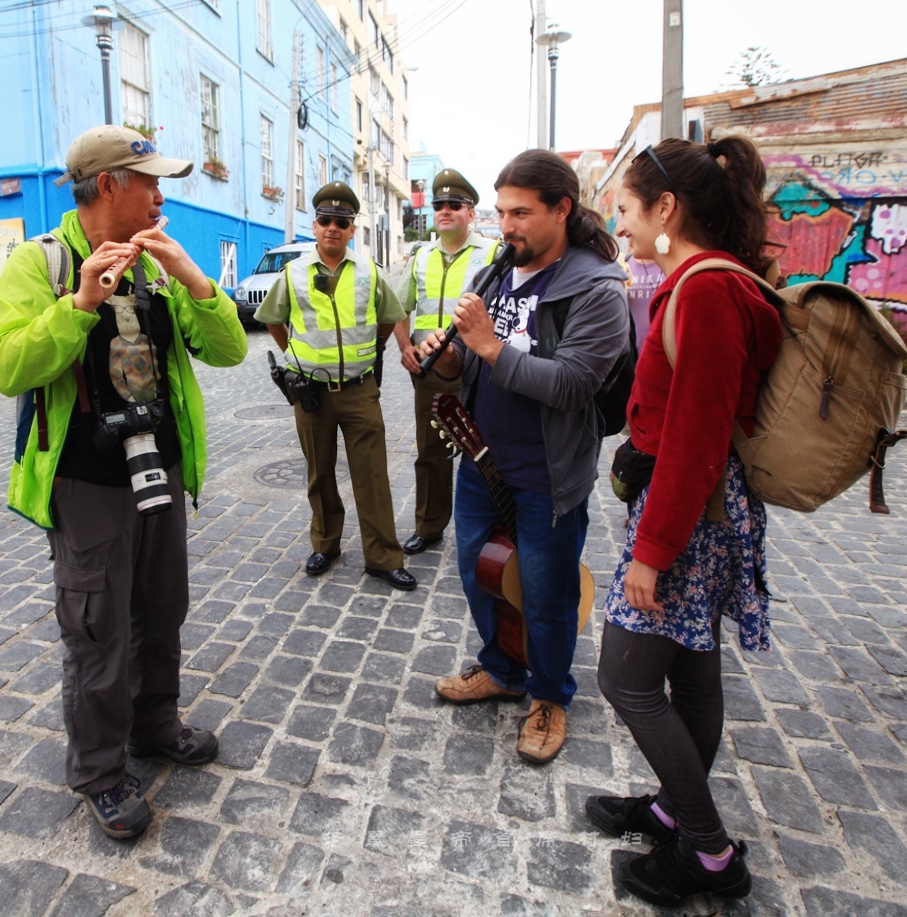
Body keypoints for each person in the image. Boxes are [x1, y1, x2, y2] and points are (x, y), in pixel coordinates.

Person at [0, 125, 248, 840]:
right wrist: (78, 306)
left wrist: (195, 278)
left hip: (159, 466)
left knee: (162, 608)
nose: (162, 195)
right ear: (108, 186)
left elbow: (226, 350)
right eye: (150, 182)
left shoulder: (158, 265)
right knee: (98, 627)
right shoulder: (40, 263)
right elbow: (6, 365)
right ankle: (99, 771)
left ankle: (154, 724)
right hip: (87, 480)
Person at [588, 135, 783, 906]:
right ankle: (676, 807)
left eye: (628, 209)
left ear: (667, 208)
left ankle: (708, 853)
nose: (622, 226)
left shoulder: (703, 290)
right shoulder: (713, 282)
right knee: (693, 665)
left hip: (689, 514)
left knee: (625, 677)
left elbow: (699, 434)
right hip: (700, 503)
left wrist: (654, 551)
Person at [420, 151, 630, 764]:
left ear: (562, 210)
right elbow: (471, 363)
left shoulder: (596, 288)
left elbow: (571, 385)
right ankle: (503, 668)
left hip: (547, 472)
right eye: (502, 211)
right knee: (479, 574)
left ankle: (549, 695)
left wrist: (487, 345)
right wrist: (453, 355)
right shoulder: (496, 271)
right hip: (483, 460)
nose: (507, 226)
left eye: (522, 212)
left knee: (546, 591)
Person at [255, 182, 416, 591]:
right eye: (325, 220)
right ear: (315, 225)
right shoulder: (292, 273)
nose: (332, 228)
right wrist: (296, 354)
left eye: (341, 222)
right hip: (311, 391)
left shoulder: (369, 273)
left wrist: (374, 348)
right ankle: (326, 545)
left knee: (372, 475)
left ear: (351, 229)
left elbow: (389, 315)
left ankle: (382, 556)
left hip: (360, 390)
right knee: (319, 473)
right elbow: (274, 319)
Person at [393, 169, 500, 556]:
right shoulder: (421, 255)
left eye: (455, 205)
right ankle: (429, 526)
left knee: (486, 450)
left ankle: (491, 526)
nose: (445, 210)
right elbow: (397, 307)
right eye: (439, 204)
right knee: (431, 453)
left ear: (471, 212)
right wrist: (406, 347)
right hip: (431, 372)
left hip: (480, 372)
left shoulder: (492, 253)